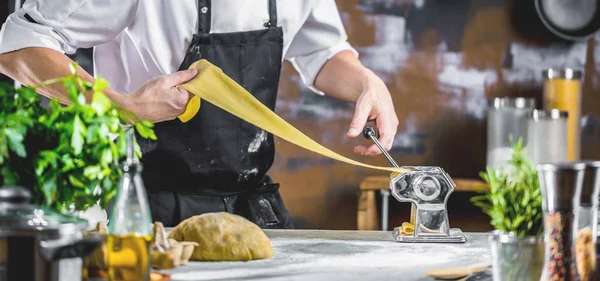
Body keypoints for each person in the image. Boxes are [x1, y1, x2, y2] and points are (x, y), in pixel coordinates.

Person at [0, 0, 399, 228]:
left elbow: (322, 50)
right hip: (146, 208)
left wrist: (366, 83)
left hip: (251, 208)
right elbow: (19, 44)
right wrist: (123, 107)